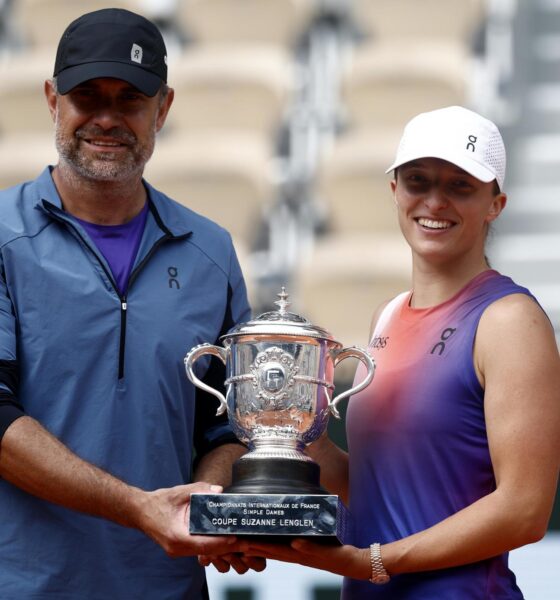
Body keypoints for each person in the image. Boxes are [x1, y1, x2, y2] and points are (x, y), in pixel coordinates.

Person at [233, 106, 560, 598]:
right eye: (418, 181)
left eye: (460, 186)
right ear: (394, 192)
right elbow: (370, 487)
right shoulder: (385, 317)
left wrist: (374, 563)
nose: (434, 200)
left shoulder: (511, 320)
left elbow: (524, 510)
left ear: (496, 204)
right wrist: (294, 427)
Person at [0, 8, 258, 599]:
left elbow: (228, 427)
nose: (108, 119)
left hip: (166, 587)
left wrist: (209, 511)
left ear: (162, 108)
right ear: (51, 100)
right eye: (87, 96)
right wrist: (139, 509)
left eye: (131, 100)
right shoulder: (2, 238)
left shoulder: (211, 251)